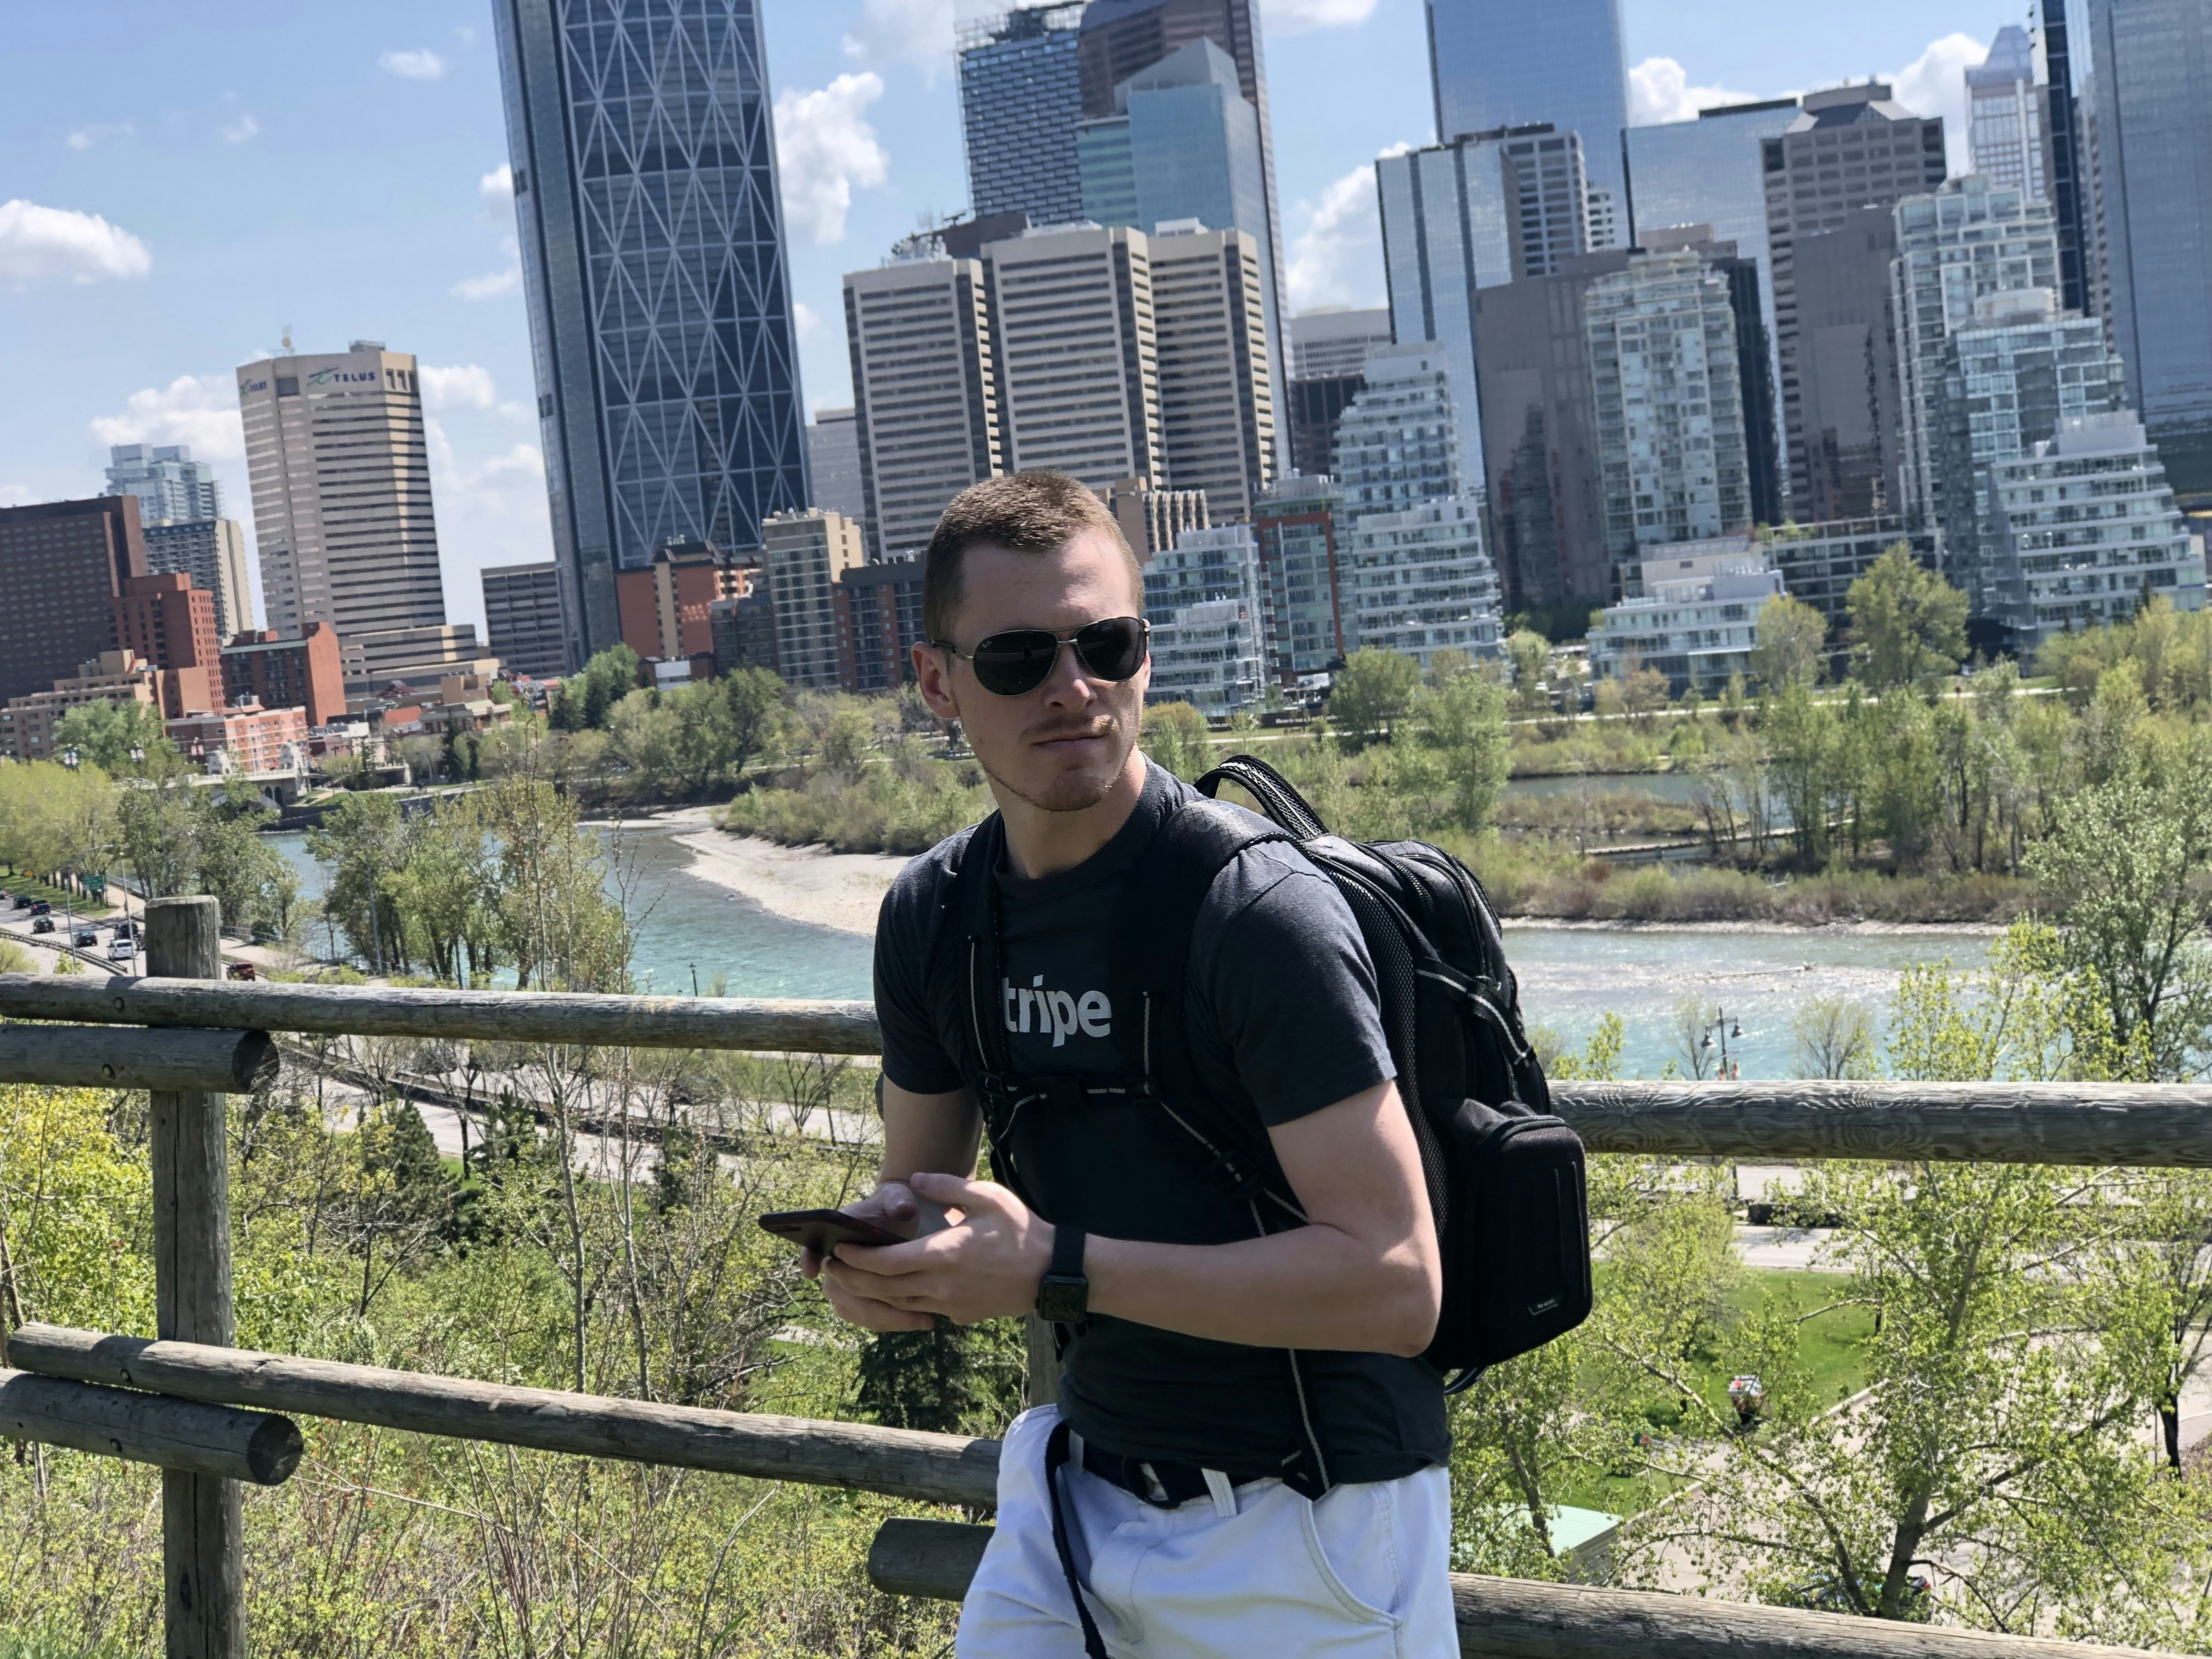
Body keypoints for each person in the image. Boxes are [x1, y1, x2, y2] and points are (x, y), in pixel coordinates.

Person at [809, 471, 1455, 1656]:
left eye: (1107, 645)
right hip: (1073, 1497)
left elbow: (1398, 1285)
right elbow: (919, 1200)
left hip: (1309, 1520)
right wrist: (880, 1265)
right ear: (935, 683)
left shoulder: (1259, 917)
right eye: (1018, 660)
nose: (1073, 688)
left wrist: (1055, 1268)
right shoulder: (934, 917)